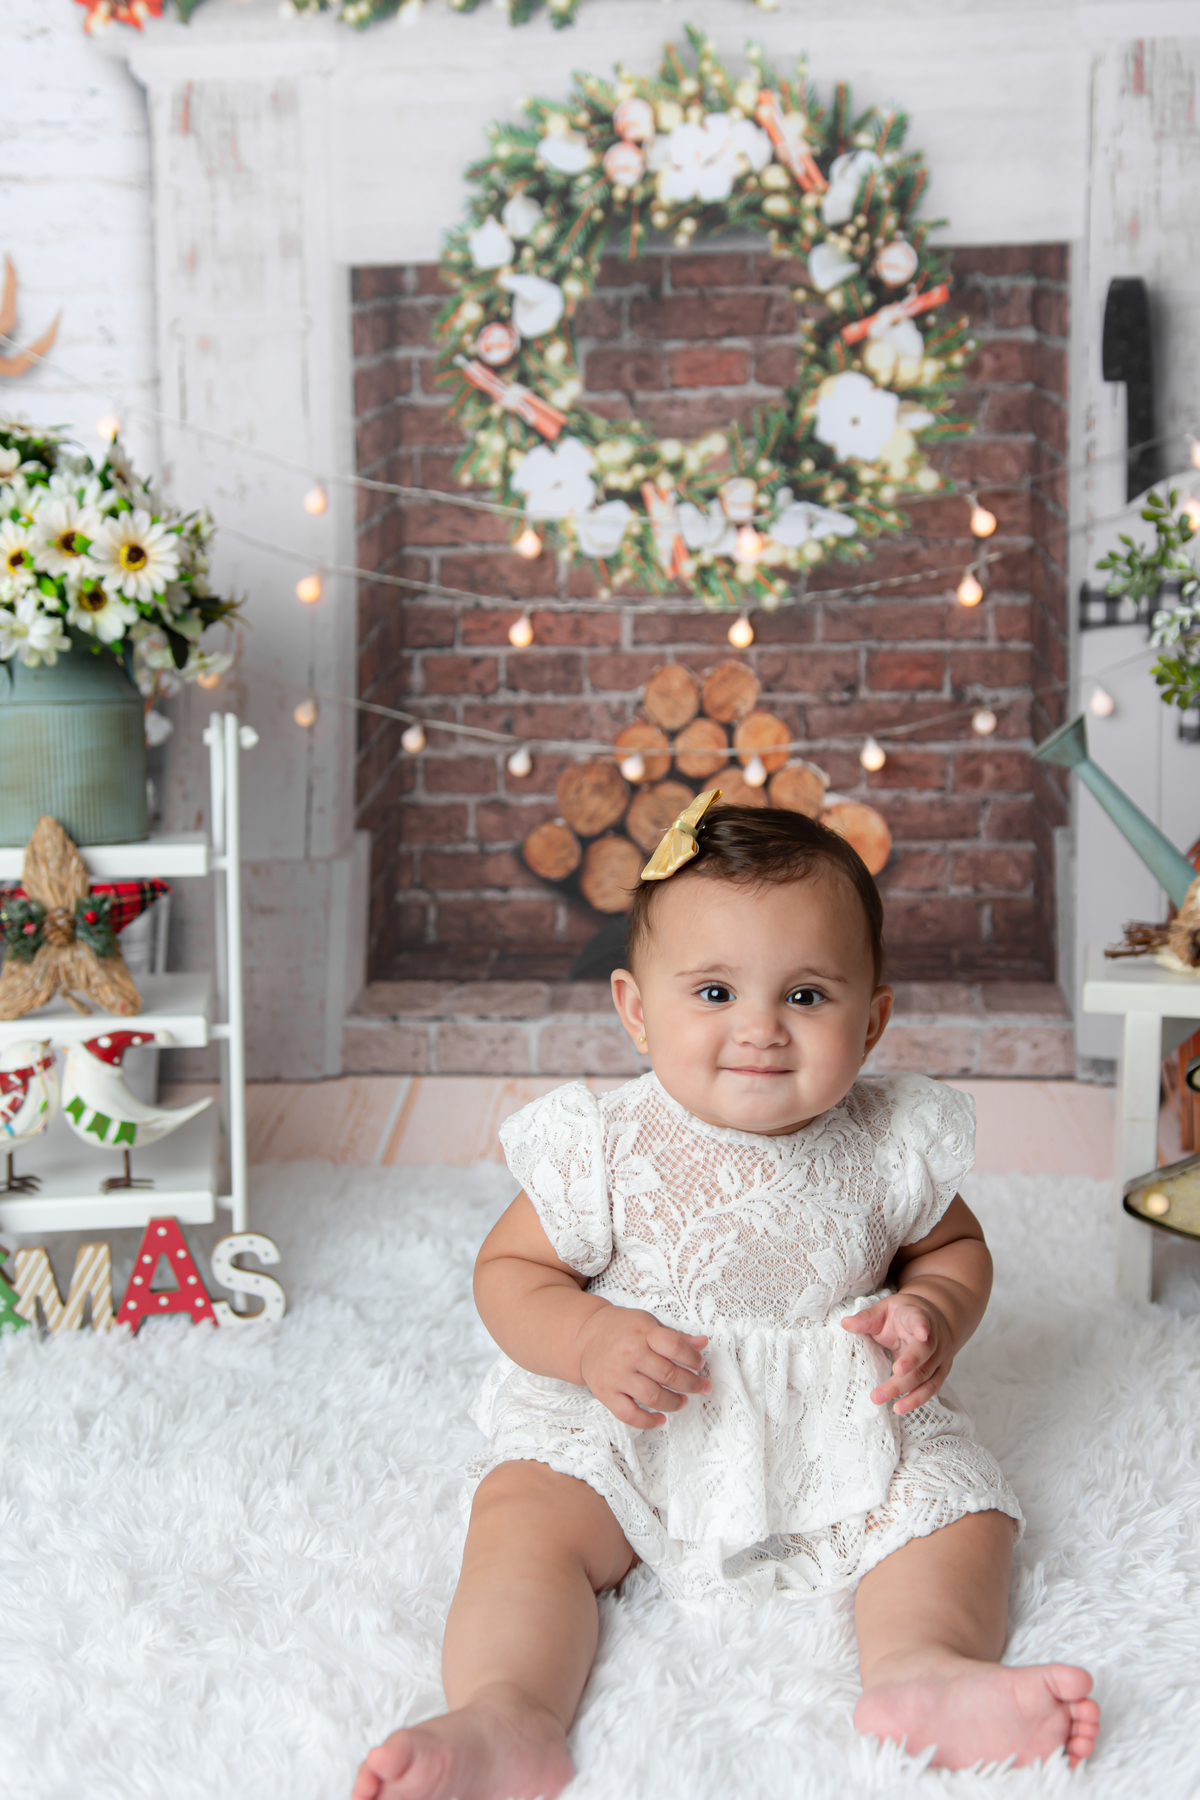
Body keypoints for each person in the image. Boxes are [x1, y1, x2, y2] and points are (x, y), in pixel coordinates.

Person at [354, 797, 1100, 1800]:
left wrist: (936, 1315)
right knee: (526, 1515)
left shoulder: (888, 1142)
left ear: (872, 1020)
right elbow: (509, 1273)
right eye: (712, 991)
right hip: (643, 1410)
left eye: (805, 996)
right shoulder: (607, 1146)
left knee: (953, 1510)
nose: (759, 1030)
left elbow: (955, 1248)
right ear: (634, 1010)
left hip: (841, 1412)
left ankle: (924, 1668)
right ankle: (507, 1711)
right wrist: (586, 1339)